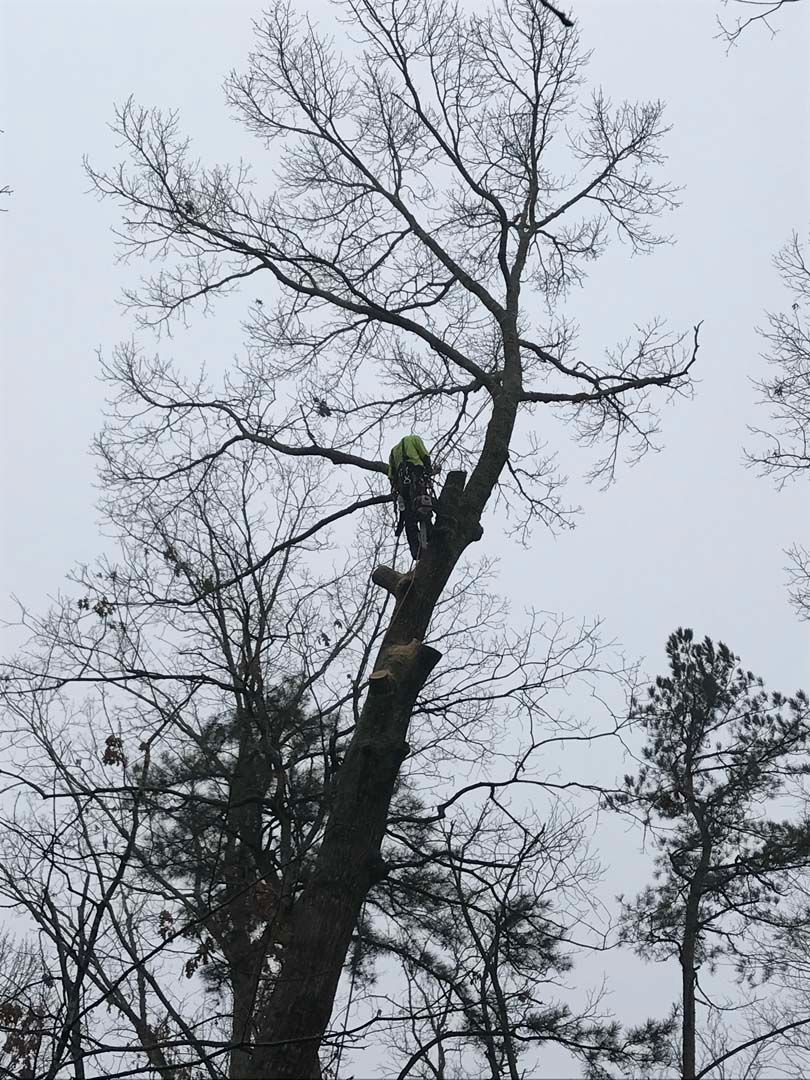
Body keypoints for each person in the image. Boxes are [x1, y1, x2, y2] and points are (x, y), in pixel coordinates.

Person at [388, 435, 434, 560]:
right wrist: (428, 470)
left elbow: (391, 476)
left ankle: (415, 548)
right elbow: (425, 455)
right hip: (416, 476)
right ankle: (430, 534)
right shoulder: (413, 439)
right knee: (423, 505)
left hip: (402, 487)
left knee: (409, 517)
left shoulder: (393, 452)